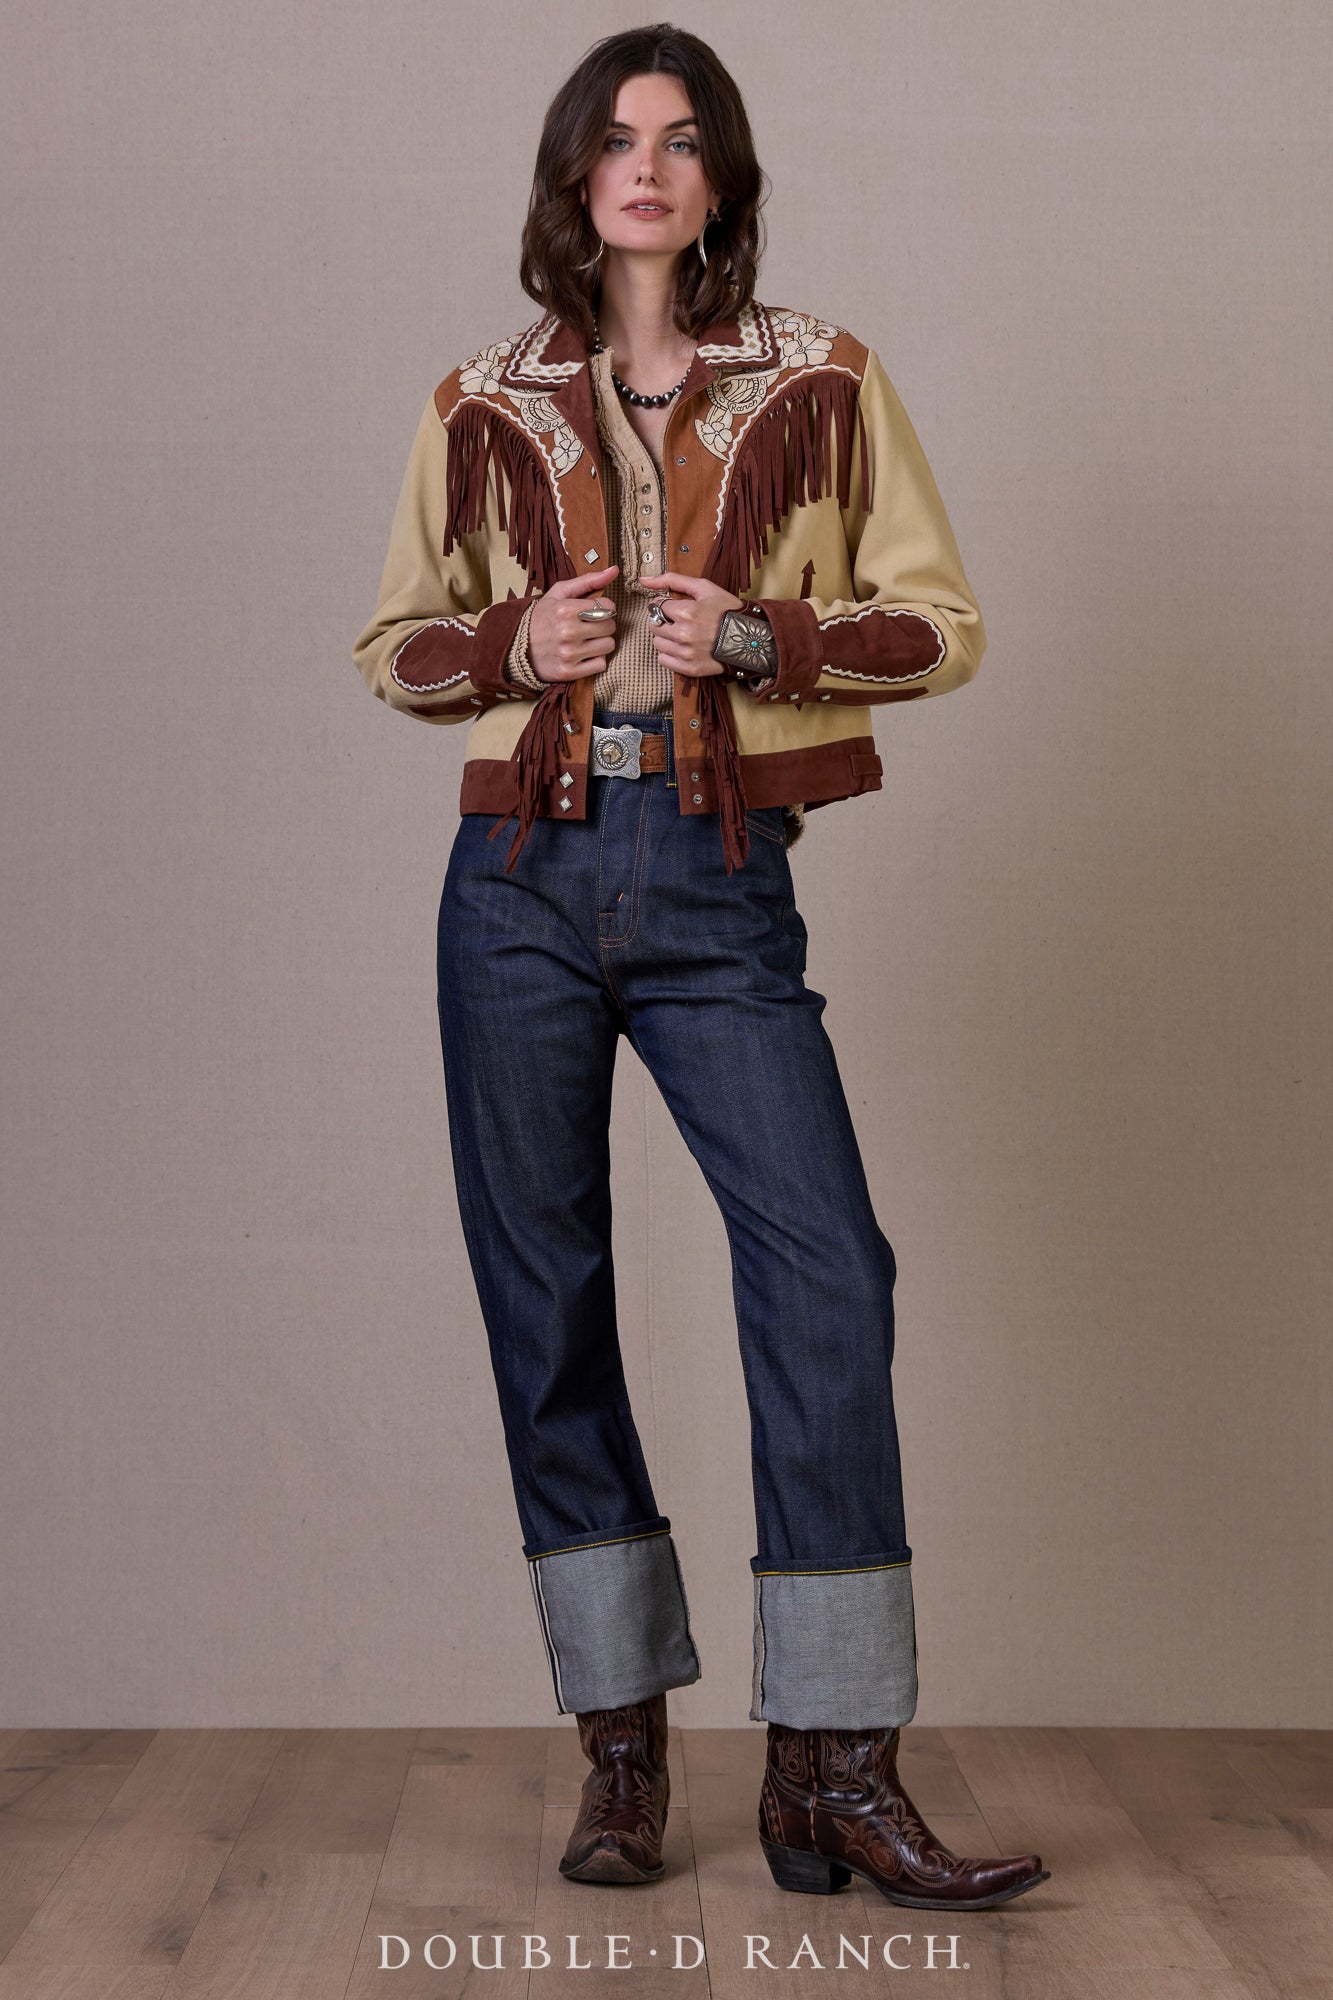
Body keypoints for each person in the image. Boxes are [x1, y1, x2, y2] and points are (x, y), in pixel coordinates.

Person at [352, 22, 1049, 1912]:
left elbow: (942, 626)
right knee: (545, 1295)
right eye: (614, 140)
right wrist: (516, 644)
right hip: (513, 875)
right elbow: (394, 647)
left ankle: (834, 1763)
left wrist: (759, 636)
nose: (645, 169)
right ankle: (622, 1747)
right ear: (573, 177)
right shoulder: (480, 397)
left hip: (716, 868)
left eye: (678, 140)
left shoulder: (821, 375)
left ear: (719, 176)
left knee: (827, 1270)